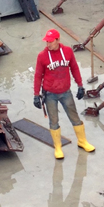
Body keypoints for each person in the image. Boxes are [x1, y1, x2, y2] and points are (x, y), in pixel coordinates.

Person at [33, 29, 95, 159]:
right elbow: (38, 76)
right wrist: (36, 94)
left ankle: (82, 141)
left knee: (75, 117)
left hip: (66, 92)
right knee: (53, 121)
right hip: (50, 94)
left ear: (58, 40)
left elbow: (74, 68)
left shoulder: (67, 51)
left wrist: (80, 85)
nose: (48, 44)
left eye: (50, 42)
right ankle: (58, 147)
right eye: (46, 42)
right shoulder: (42, 56)